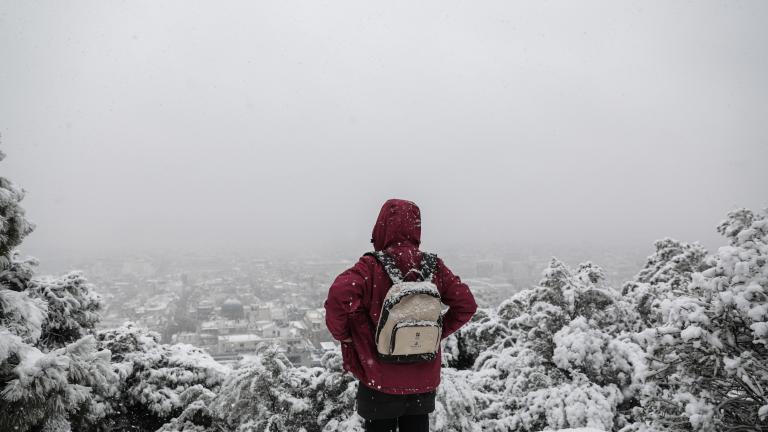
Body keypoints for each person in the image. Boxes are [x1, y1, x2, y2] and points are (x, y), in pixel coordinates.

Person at [324, 199, 478, 432]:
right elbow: (466, 305)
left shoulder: (371, 267)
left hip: (379, 376)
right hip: (422, 380)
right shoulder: (433, 267)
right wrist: (432, 334)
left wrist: (346, 335)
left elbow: (338, 296)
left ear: (381, 227)